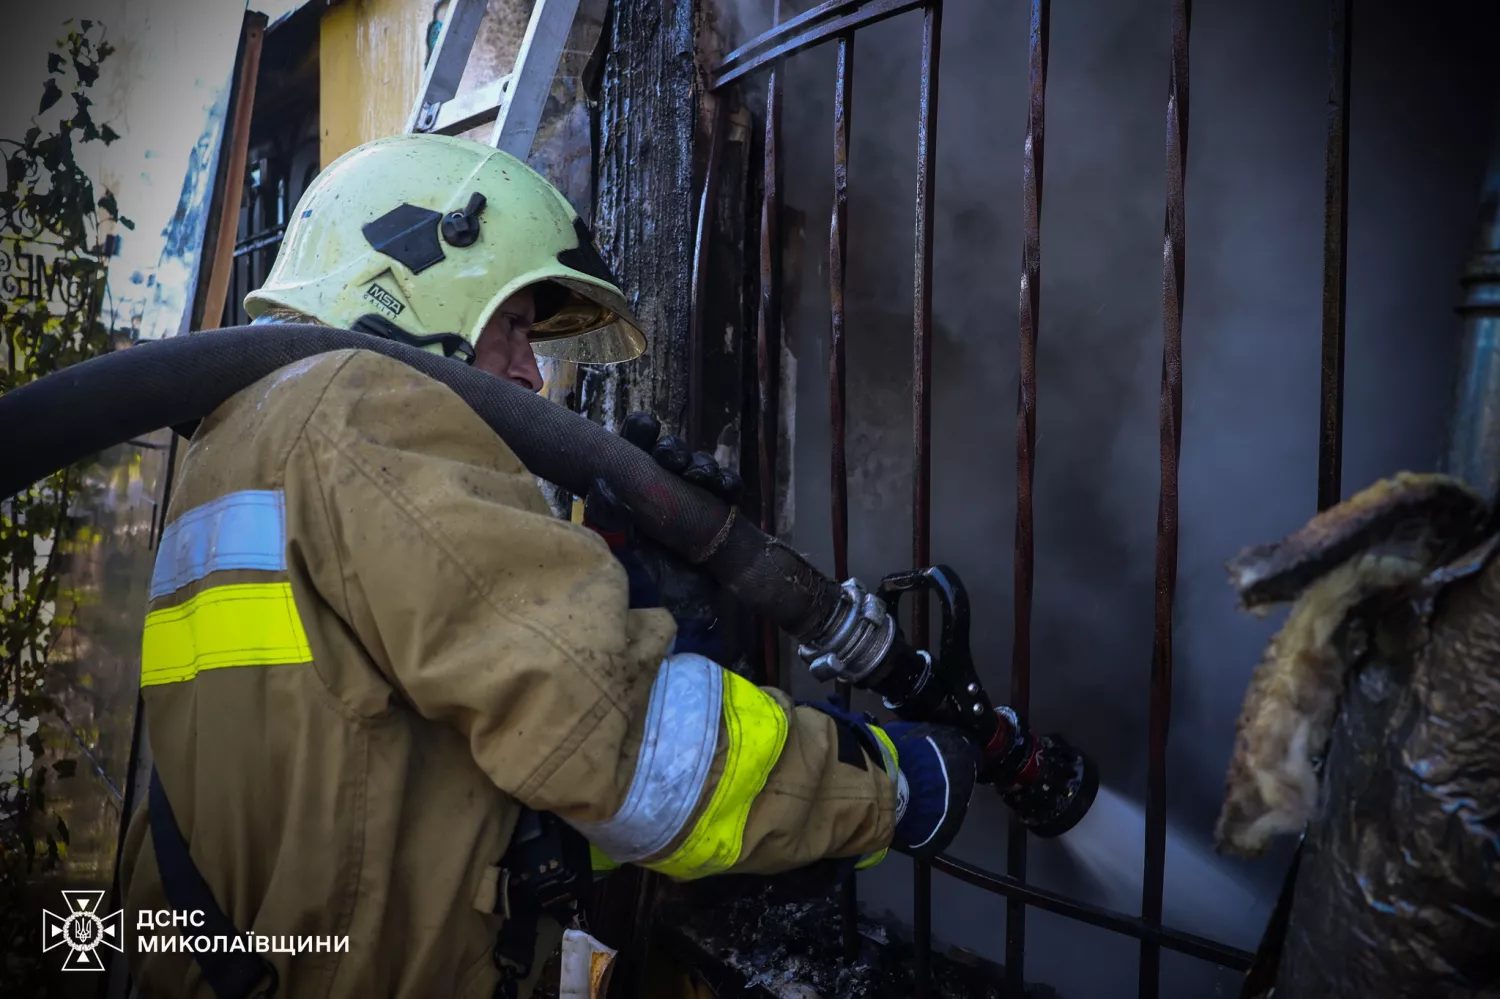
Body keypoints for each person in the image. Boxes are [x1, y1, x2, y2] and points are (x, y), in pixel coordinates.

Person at [119, 132, 980, 999]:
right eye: (516, 326)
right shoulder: (361, 405)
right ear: (418, 281)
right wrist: (886, 785)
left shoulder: (241, 440)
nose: (530, 374)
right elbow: (619, 749)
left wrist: (618, 585)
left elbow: (413, 778)